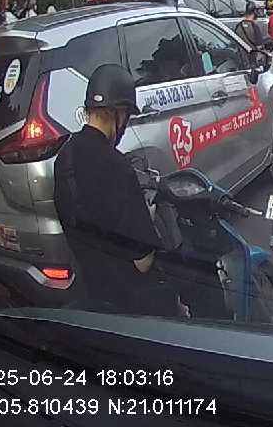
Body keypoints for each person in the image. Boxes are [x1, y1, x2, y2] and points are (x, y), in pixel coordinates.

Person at [53, 64, 183, 317]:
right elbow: (143, 260)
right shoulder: (117, 166)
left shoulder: (64, 156)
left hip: (92, 286)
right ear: (119, 113)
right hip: (131, 300)